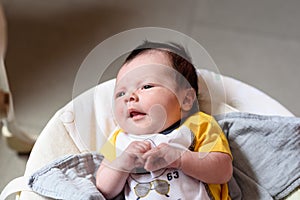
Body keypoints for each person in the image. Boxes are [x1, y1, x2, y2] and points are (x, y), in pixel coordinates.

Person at [96, 41, 233, 200]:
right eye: (120, 93)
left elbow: (223, 171)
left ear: (186, 99)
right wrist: (122, 164)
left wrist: (181, 158)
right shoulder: (120, 138)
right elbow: (103, 189)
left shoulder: (199, 124)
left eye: (146, 86)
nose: (129, 98)